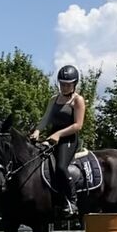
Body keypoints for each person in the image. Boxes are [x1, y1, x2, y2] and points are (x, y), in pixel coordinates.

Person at [30, 65, 86, 217]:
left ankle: (72, 201)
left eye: (68, 84)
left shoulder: (78, 100)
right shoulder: (54, 99)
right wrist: (37, 131)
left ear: (75, 84)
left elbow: (78, 125)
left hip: (68, 139)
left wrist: (59, 134)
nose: (65, 87)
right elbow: (46, 118)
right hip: (52, 138)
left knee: (61, 167)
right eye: (62, 84)